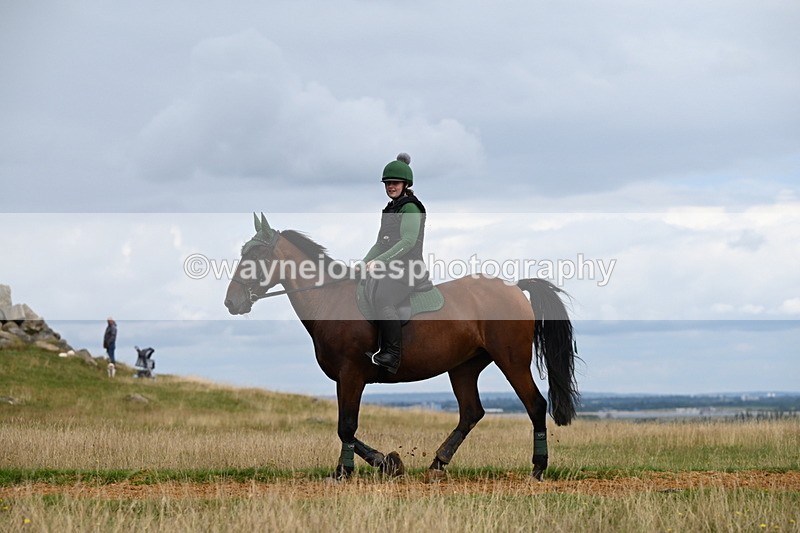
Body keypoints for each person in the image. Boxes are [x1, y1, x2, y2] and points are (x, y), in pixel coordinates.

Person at [362, 153, 431, 374]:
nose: (391, 186)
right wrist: (363, 264)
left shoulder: (410, 207)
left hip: (409, 270)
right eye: (388, 183)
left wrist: (379, 263)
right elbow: (380, 244)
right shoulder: (391, 208)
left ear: (405, 184)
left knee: (383, 298)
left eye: (395, 183)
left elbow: (409, 241)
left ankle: (392, 354)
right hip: (392, 268)